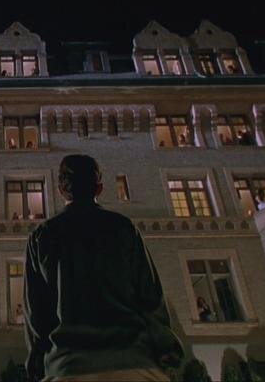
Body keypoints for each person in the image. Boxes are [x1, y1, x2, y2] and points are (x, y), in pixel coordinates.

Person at [24, 155, 183, 382]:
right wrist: (167, 350)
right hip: (133, 360)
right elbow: (150, 297)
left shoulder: (42, 237)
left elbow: (36, 313)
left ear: (61, 190)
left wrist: (38, 360)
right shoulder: (123, 228)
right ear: (99, 188)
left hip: (68, 365)